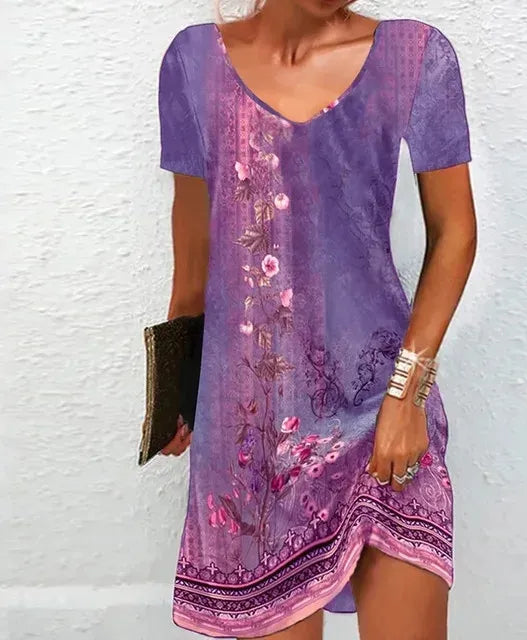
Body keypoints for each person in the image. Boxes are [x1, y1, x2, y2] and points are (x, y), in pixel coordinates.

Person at [157, 0, 476, 638]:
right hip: (251, 437)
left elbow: (456, 232)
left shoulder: (412, 56)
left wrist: (408, 392)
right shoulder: (193, 64)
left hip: (385, 411)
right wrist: (173, 389)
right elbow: (194, 259)